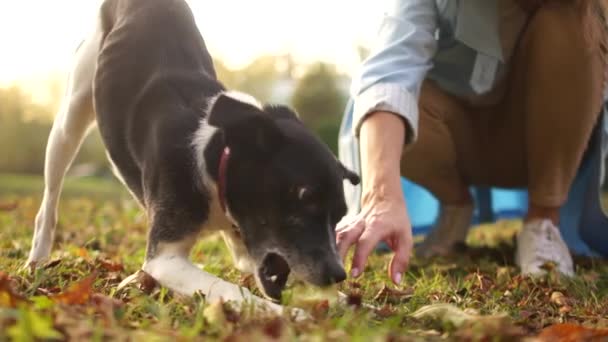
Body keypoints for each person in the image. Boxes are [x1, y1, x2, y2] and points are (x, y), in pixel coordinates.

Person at [336, 0, 608, 285]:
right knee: (389, 109)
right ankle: (455, 206)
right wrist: (381, 196)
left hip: (543, 147)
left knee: (577, 20)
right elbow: (388, 75)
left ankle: (543, 220)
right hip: (452, 140)